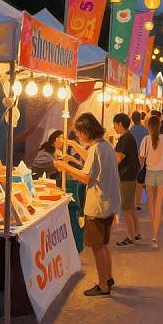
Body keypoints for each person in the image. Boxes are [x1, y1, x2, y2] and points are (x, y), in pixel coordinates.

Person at [54, 113, 121, 297]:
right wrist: (74, 148)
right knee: (104, 245)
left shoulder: (96, 149)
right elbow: (91, 163)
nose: (78, 136)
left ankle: (103, 285)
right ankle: (108, 278)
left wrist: (65, 167)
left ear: (85, 131)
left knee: (97, 247)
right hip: (109, 203)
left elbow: (86, 177)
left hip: (97, 205)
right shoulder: (104, 145)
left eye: (78, 133)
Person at [139, 116, 163, 247]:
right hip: (162, 172)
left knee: (152, 204)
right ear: (160, 126)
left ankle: (153, 233)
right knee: (159, 204)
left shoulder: (145, 140)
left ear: (148, 126)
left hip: (150, 172)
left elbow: (141, 157)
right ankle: (155, 235)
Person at [113, 113, 141, 247]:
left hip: (126, 175)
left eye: (114, 125)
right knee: (130, 206)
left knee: (126, 207)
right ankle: (136, 232)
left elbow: (118, 158)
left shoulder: (125, 138)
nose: (114, 128)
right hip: (131, 175)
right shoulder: (129, 137)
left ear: (119, 124)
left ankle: (130, 237)